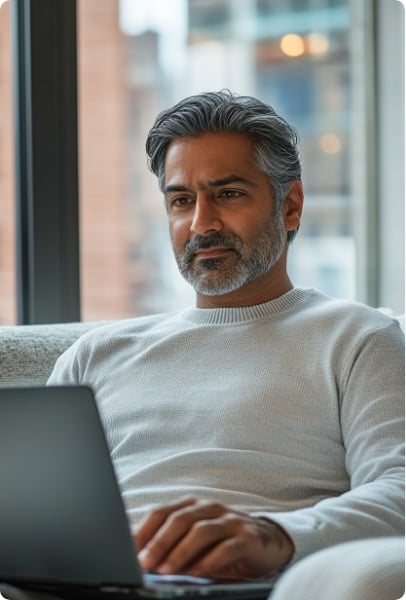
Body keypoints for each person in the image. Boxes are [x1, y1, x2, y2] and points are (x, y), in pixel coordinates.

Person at [47, 90, 404, 584]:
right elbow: (38, 508)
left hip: (257, 584)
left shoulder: (357, 337)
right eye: (181, 200)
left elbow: (400, 490)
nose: (201, 224)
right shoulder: (95, 355)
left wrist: (274, 536)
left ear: (291, 206)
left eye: (229, 194)